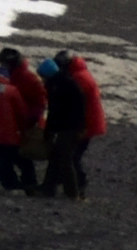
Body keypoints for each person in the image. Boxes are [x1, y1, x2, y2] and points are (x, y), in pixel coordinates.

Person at [35, 50, 110, 201]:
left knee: (69, 157)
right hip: (83, 123)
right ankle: (54, 187)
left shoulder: (74, 79)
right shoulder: (76, 76)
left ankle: (75, 189)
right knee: (64, 155)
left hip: (80, 124)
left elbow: (69, 106)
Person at [0, 49, 43, 194]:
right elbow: (21, 107)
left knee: (8, 158)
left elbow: (39, 102)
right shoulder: (12, 86)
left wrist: (31, 121)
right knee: (16, 157)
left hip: (14, 127)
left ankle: (13, 184)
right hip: (14, 128)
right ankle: (21, 185)